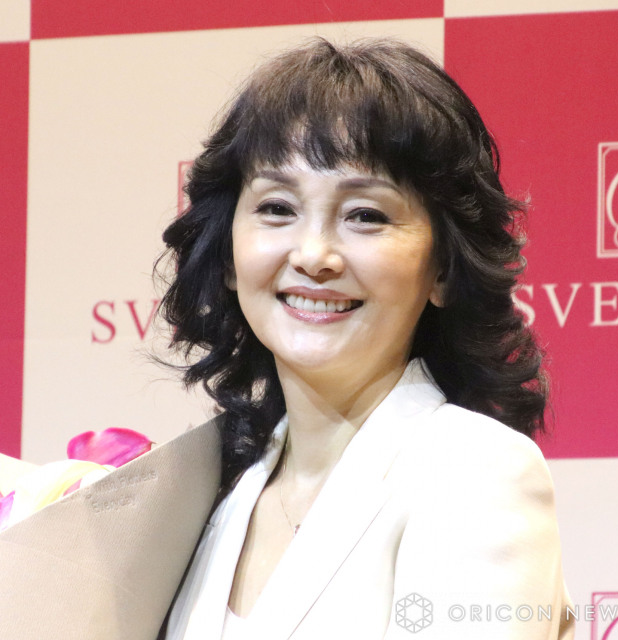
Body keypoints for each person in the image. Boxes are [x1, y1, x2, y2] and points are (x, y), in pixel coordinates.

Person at [158, 38, 574, 639]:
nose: (313, 255)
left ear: (442, 268)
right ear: (227, 252)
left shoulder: (475, 472)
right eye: (277, 208)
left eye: (366, 216)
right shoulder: (219, 500)